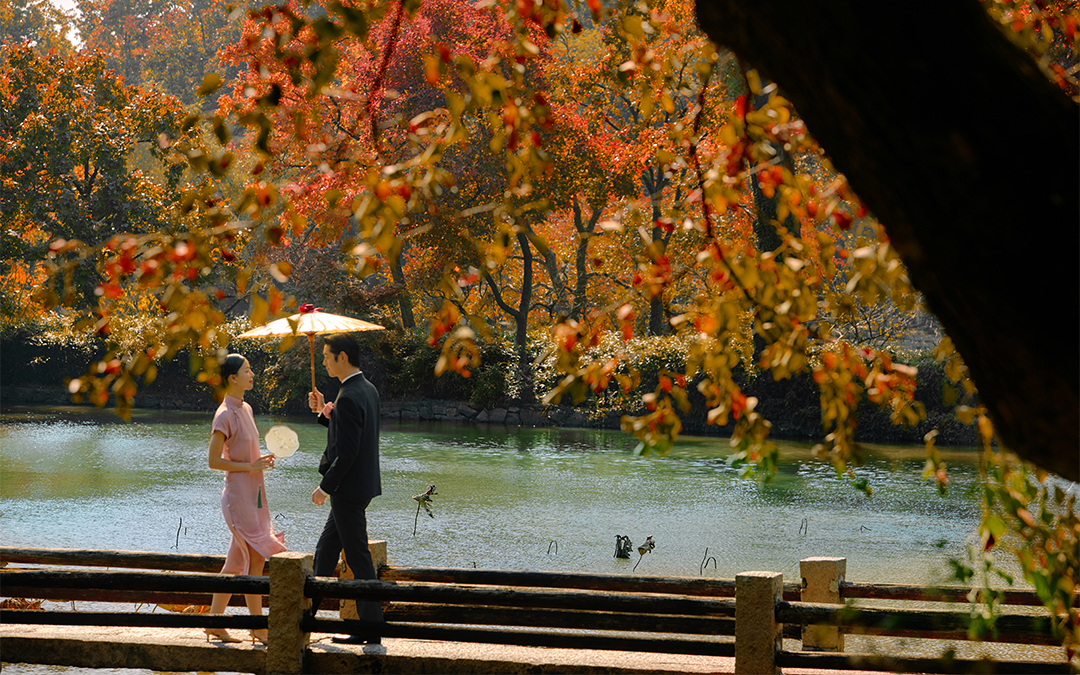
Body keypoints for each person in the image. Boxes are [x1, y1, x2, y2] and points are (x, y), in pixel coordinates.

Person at [308, 333, 384, 645]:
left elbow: (348, 451)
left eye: (327, 356)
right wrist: (326, 415)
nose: (323, 361)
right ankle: (304, 613)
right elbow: (354, 433)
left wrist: (325, 487)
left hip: (347, 489)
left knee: (358, 557)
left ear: (342, 357)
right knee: (326, 552)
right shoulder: (365, 389)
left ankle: (371, 630)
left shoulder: (350, 395)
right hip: (358, 486)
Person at [205, 353, 285, 645]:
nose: (252, 374)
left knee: (237, 563)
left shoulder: (246, 408)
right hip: (238, 496)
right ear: (232, 378)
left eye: (251, 369)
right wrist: (250, 466)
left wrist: (259, 460)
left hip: (255, 493)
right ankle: (257, 627)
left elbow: (244, 454)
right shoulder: (224, 414)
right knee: (256, 559)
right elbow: (213, 461)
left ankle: (214, 623)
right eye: (247, 370)